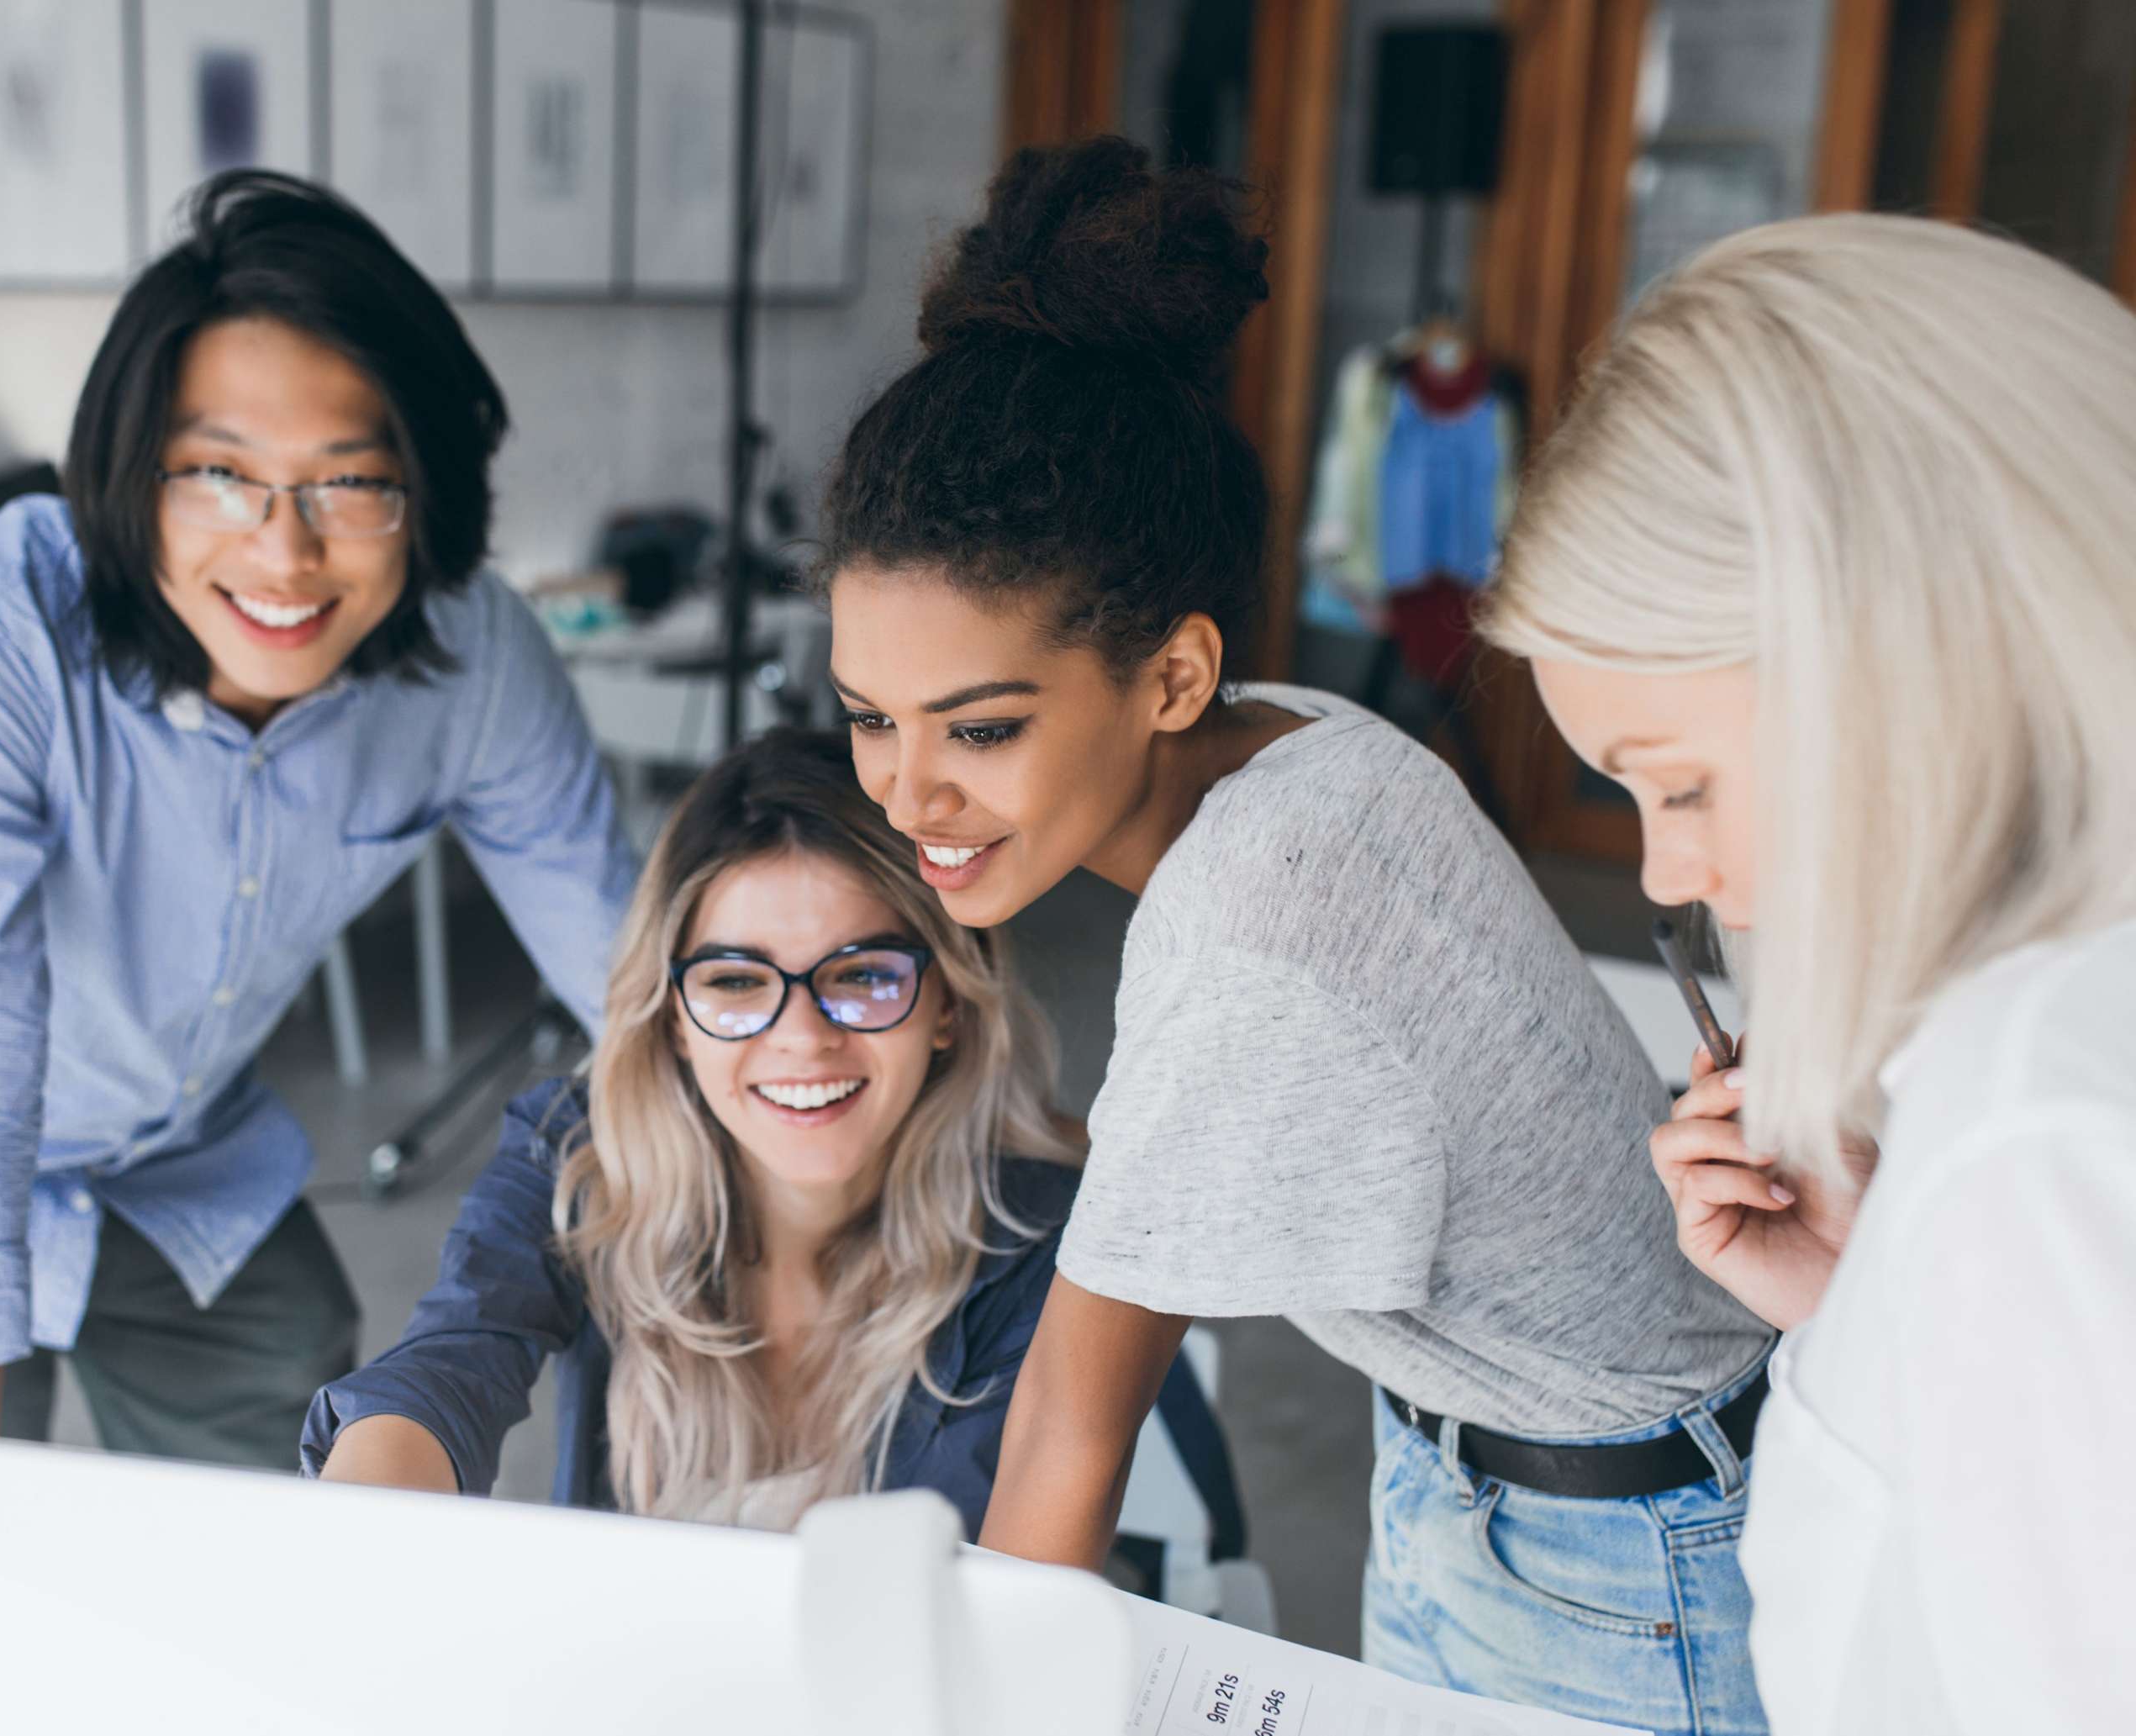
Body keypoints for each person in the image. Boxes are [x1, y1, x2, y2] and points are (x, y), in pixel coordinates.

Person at [817, 137, 1775, 1733]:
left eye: (980, 728)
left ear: (1174, 676)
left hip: (1619, 1563)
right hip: (1508, 1466)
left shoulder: (1252, 938)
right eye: (869, 716)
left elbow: (1068, 1428)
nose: (910, 793)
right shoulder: (1301, 734)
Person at [0, 171, 636, 1464]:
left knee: (280, 1498)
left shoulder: (474, 659)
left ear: (427, 493)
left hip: (172, 1154)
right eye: (219, 474)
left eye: (351, 482)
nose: (284, 553)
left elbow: (629, 972)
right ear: (129, 474)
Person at [1480, 214, 2136, 1735]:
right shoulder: (2033, 1088)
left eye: (1682, 785)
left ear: (1905, 662)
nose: (1665, 873)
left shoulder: (2037, 1128)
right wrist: (1876, 1300)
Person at [303, 729, 1084, 1536]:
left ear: (948, 1000)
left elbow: (994, 1572)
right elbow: (453, 1357)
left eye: (861, 974)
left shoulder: (1042, 1240)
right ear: (674, 1016)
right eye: (737, 981)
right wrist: (366, 1518)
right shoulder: (579, 1150)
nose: (802, 1036)